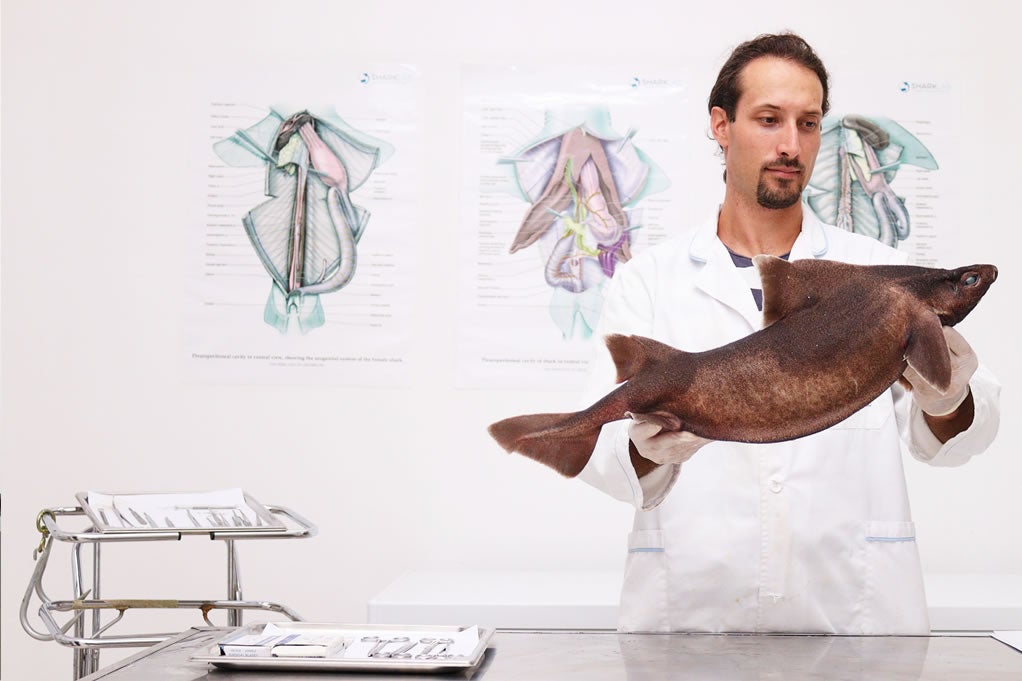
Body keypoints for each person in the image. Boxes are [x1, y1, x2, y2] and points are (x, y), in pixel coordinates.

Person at [576, 32, 1000, 635]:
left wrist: (948, 398)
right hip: (694, 623)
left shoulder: (877, 273)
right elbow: (598, 454)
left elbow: (960, 441)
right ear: (721, 126)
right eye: (769, 119)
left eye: (808, 123)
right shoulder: (649, 283)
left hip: (854, 618)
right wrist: (647, 449)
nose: (790, 145)